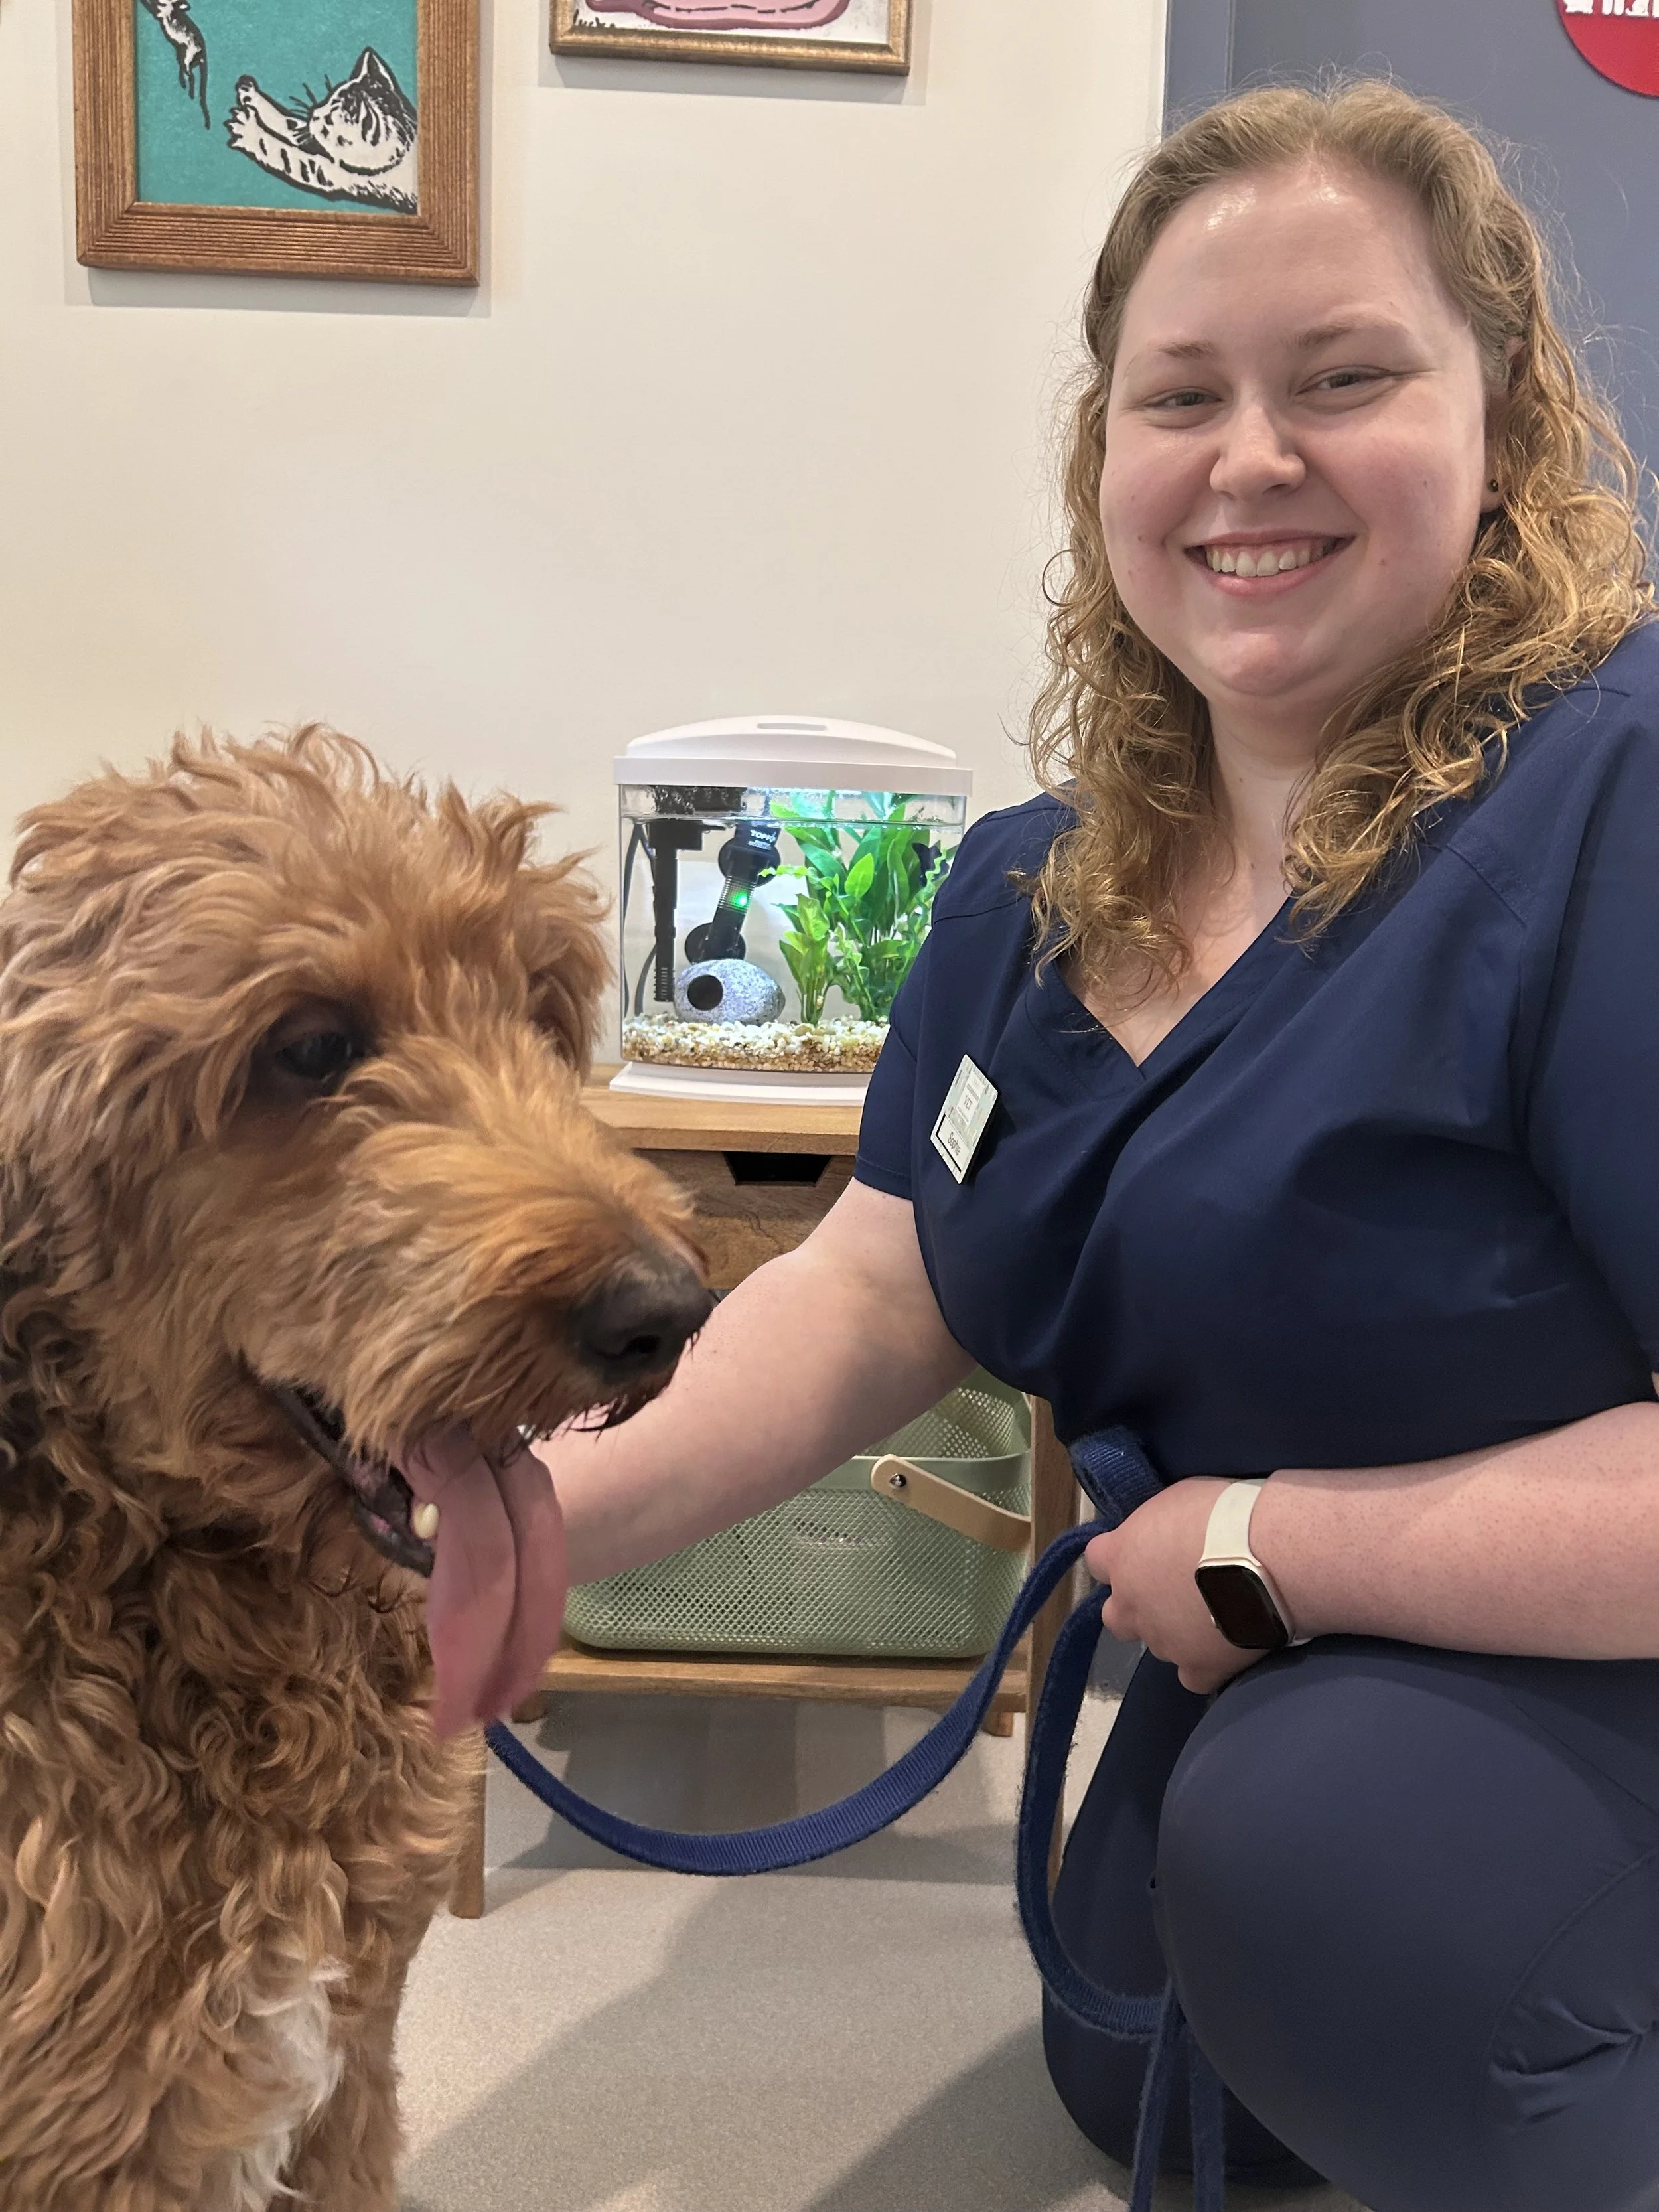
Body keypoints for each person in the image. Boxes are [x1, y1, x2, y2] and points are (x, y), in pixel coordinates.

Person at [541, 80, 1659, 2212]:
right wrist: (522, 1533)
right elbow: (875, 1285)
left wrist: (1262, 1542)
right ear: (1104, 459)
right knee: (1137, 2035)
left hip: (1584, 1644)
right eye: (1181, 396)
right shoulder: (1028, 894)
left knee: (1339, 1915)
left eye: (1345, 377)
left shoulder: (1606, 809)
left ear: (1501, 428)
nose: (1252, 456)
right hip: (1279, 1668)